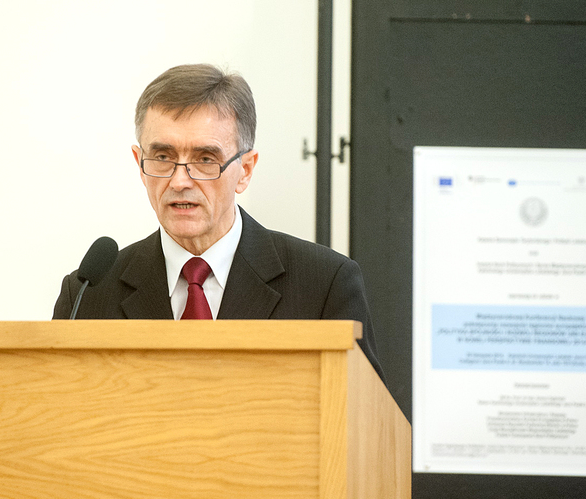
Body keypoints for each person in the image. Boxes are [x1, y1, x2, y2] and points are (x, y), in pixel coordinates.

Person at [53, 64, 385, 382]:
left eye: (205, 159)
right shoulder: (87, 296)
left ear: (246, 170)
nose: (180, 181)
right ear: (140, 164)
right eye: (163, 157)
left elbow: (364, 414)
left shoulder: (323, 285)